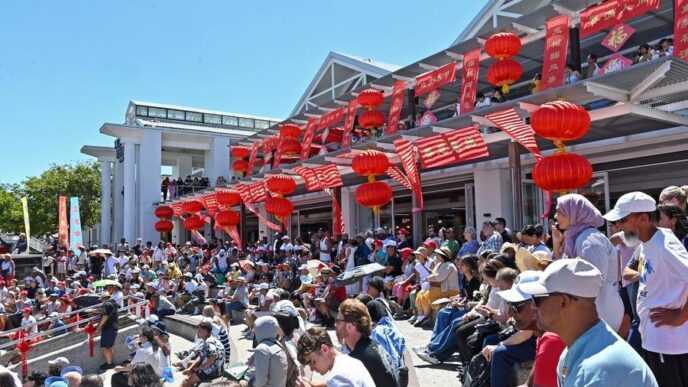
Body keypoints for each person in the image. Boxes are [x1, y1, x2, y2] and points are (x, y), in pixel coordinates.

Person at [520, 258, 658, 387]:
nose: (532, 306)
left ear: (563, 301)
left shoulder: (600, 369)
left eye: (537, 299)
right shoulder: (582, 349)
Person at [604, 192, 688, 386]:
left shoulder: (664, 245)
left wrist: (681, 316)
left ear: (643, 218)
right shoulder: (649, 242)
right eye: (616, 222)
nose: (617, 226)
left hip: (668, 343)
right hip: (657, 339)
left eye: (622, 220)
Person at [551, 193, 625, 333]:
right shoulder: (575, 238)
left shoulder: (590, 240)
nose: (556, 217)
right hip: (592, 310)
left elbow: (593, 280)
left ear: (575, 213)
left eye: (560, 211)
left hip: (600, 311)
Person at [498, 271, 565, 387]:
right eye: (509, 304)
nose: (509, 312)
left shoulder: (552, 340)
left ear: (537, 305)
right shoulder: (543, 336)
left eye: (515, 307)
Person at [335, 299, 397, 387]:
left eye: (338, 321)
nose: (335, 325)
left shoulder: (356, 360)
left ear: (350, 326)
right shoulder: (373, 346)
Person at [296, 326, 375, 387]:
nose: (312, 368)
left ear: (324, 349)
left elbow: (338, 381)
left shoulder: (338, 376)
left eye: (313, 362)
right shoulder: (349, 361)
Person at [414, 247, 459, 327]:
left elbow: (439, 277)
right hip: (441, 288)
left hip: (450, 290)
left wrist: (428, 278)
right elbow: (434, 274)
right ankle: (422, 316)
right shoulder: (439, 264)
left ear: (442, 256)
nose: (436, 256)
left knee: (429, 294)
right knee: (421, 295)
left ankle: (427, 317)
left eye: (438, 255)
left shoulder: (449, 265)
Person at [180, 321, 225, 386]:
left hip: (214, 371)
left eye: (200, 330)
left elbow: (213, 356)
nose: (197, 332)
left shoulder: (210, 342)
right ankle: (193, 381)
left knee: (185, 382)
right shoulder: (207, 340)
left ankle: (191, 382)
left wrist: (199, 368)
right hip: (210, 367)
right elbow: (200, 356)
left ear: (206, 332)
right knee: (189, 364)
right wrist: (190, 368)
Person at [248, 316, 288, 387]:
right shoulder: (278, 345)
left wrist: (250, 382)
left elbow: (260, 382)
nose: (254, 331)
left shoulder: (262, 349)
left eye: (256, 328)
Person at [96, 292, 119, 371]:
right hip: (114, 327)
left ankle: (109, 364)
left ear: (104, 298)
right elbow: (107, 313)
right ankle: (110, 362)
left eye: (101, 299)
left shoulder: (106, 304)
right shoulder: (113, 303)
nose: (101, 301)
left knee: (104, 347)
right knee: (110, 346)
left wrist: (98, 328)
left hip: (108, 328)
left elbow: (105, 316)